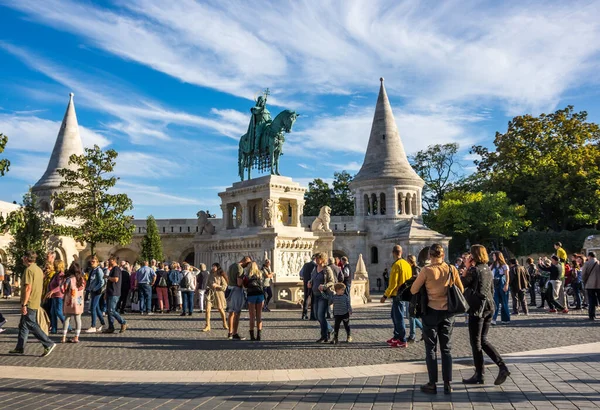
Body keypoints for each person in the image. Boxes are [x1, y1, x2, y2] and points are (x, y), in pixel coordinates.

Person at [410, 244, 463, 395]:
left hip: (431, 311)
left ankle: (432, 383)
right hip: (448, 312)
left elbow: (413, 289)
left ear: (429, 256)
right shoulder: (451, 269)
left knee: (431, 348)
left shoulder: (426, 270)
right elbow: (461, 289)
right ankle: (448, 383)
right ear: (443, 254)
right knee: (446, 349)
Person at [461, 245, 510, 386]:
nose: (468, 257)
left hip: (478, 309)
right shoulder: (487, 269)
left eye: (470, 254)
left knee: (476, 342)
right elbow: (492, 289)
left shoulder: (474, 270)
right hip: (489, 306)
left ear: (474, 255)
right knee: (482, 340)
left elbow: (462, 284)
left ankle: (480, 374)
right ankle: (502, 367)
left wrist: (465, 270)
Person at [9, 250, 56, 357]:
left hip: (30, 301)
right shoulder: (38, 269)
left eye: (23, 257)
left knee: (31, 323)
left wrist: (24, 304)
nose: (22, 259)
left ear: (26, 258)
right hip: (35, 300)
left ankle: (48, 343)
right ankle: (19, 347)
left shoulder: (29, 270)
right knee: (23, 325)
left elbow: (28, 288)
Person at [380, 245, 412, 348]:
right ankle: (396, 336)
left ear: (393, 253)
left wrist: (385, 296)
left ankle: (402, 339)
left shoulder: (396, 265)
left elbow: (392, 283)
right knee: (394, 315)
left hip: (398, 294)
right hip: (405, 293)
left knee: (398, 317)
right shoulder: (407, 264)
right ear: (401, 252)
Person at [308, 252, 335, 343]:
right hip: (315, 295)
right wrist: (309, 282)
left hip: (323, 295)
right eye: (315, 258)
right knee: (316, 315)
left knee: (320, 315)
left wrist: (324, 286)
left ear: (322, 259)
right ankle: (328, 331)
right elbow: (312, 278)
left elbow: (332, 281)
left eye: (317, 258)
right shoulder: (315, 269)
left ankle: (324, 335)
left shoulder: (327, 269)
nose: (316, 260)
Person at [227, 256, 251, 340]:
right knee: (237, 313)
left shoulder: (231, 266)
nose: (247, 266)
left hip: (229, 289)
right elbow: (239, 283)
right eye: (247, 264)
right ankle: (235, 333)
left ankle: (230, 333)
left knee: (230, 313)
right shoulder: (240, 268)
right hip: (236, 291)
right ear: (245, 261)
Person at [61, 262, 86, 343]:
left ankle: (63, 337)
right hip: (78, 301)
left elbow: (62, 289)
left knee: (67, 318)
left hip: (69, 301)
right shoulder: (81, 279)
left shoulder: (69, 279)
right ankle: (76, 337)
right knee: (78, 319)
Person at [103, 256, 127, 334]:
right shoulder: (113, 269)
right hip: (110, 291)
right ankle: (111, 327)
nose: (108, 261)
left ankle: (123, 322)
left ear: (113, 260)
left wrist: (107, 277)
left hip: (114, 292)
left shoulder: (116, 269)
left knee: (111, 310)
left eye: (109, 260)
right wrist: (106, 293)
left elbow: (116, 279)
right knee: (109, 310)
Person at [45, 260, 69, 334]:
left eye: (55, 265)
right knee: (53, 312)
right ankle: (54, 329)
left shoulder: (61, 275)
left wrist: (52, 291)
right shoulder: (56, 274)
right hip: (54, 296)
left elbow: (60, 286)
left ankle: (68, 327)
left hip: (59, 295)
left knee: (58, 312)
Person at [203, 263, 229, 332]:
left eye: (214, 266)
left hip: (218, 294)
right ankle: (207, 325)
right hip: (210, 293)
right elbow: (207, 283)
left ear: (217, 267)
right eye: (212, 266)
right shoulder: (210, 274)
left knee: (220, 309)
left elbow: (224, 286)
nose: (213, 267)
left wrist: (217, 285)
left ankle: (224, 323)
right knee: (207, 309)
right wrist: (208, 287)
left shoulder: (221, 276)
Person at [405, 255, 423, 342]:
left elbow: (417, 281)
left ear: (410, 261)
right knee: (411, 315)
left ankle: (412, 335)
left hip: (414, 294)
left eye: (407, 260)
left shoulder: (415, 269)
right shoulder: (413, 268)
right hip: (411, 294)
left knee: (411, 315)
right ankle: (423, 330)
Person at [85, 256, 106, 333]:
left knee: (93, 308)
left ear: (97, 262)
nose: (92, 263)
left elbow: (102, 282)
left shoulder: (98, 270)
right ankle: (103, 323)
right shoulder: (92, 270)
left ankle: (93, 326)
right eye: (91, 261)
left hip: (97, 291)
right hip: (92, 291)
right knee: (96, 308)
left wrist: (95, 288)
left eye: (93, 261)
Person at [246, 261, 265, 341]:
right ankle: (259, 335)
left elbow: (245, 285)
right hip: (260, 295)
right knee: (259, 315)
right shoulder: (260, 274)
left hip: (251, 295)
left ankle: (252, 336)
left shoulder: (248, 275)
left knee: (252, 316)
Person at [491, 251, 510, 325]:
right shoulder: (493, 265)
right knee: (495, 302)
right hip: (495, 285)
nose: (493, 257)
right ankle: (493, 318)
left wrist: (506, 285)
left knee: (504, 303)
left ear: (498, 256)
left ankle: (505, 319)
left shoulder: (504, 265)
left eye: (494, 256)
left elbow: (507, 276)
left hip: (502, 283)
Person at [582, 251, 600, 320]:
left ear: (589, 256)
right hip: (599, 284)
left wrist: (584, 280)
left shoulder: (587, 263)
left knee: (591, 300)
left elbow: (583, 274)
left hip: (590, 284)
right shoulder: (598, 263)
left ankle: (592, 315)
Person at [300, 255, 317, 320]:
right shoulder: (315, 266)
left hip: (306, 283)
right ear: (315, 259)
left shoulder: (305, 265)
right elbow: (314, 274)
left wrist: (305, 278)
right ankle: (312, 316)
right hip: (312, 283)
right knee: (313, 299)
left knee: (306, 298)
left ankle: (304, 314)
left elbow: (301, 273)